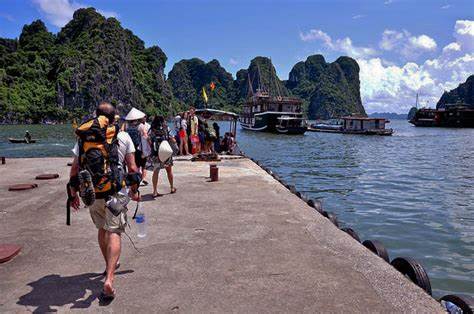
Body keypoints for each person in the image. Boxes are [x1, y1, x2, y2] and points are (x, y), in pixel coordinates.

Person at [68, 102, 140, 301]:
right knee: (114, 231)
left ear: (96, 115)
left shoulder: (83, 138)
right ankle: (109, 278)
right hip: (115, 192)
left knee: (102, 229)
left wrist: (72, 194)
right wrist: (134, 189)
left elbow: (74, 170)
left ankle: (109, 263)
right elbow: (133, 168)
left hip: (93, 194)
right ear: (113, 117)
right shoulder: (122, 136)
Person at [148, 115, 176, 197]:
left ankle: (155, 191)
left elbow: (148, 139)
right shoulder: (166, 128)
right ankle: (171, 188)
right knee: (169, 170)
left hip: (156, 153)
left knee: (156, 171)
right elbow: (173, 139)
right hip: (166, 152)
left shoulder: (152, 129)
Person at [124, 108, 147, 183]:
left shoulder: (126, 126)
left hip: (129, 148)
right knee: (143, 165)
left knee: (134, 164)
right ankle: (143, 178)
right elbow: (145, 136)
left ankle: (136, 178)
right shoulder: (140, 126)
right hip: (139, 148)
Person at [137, 116, 151, 185]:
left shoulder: (148, 125)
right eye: (143, 117)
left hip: (144, 147)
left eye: (145, 117)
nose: (144, 118)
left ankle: (142, 178)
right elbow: (146, 137)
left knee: (143, 164)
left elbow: (149, 136)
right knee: (141, 165)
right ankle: (141, 178)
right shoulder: (140, 126)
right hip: (140, 148)